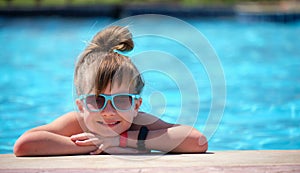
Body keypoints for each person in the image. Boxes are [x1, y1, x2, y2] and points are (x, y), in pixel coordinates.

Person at [14, 26, 208, 156]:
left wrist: (121, 141)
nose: (108, 111)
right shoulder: (76, 123)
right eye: (97, 100)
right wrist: (97, 144)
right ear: (81, 106)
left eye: (122, 99)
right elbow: (25, 144)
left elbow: (196, 141)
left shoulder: (139, 122)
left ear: (136, 105)